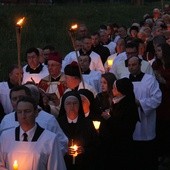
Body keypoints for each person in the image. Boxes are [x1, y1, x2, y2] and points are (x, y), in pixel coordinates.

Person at [0, 96, 66, 170]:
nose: (23, 116)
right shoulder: (5, 136)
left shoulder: (50, 139)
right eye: (19, 112)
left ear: (36, 113)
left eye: (27, 111)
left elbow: (56, 167)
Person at [0, 85, 68, 155]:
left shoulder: (48, 120)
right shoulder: (6, 120)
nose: (18, 101)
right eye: (14, 99)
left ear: (29, 97)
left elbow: (62, 144)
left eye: (21, 97)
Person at [126, 56, 162, 170]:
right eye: (129, 65)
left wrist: (140, 103)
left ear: (140, 65)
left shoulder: (150, 79)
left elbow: (157, 98)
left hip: (146, 122)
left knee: (147, 157)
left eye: (134, 64)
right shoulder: (124, 80)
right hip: (130, 123)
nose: (131, 67)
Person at [98, 78, 139, 169]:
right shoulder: (117, 100)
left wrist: (109, 118)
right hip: (114, 142)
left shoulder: (128, 105)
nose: (112, 90)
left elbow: (124, 126)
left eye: (115, 88)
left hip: (122, 144)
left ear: (122, 89)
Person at [58, 90, 99, 170]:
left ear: (79, 105)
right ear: (64, 106)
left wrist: (84, 150)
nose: (72, 106)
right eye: (68, 103)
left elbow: (96, 145)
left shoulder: (88, 123)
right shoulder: (57, 124)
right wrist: (64, 150)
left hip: (84, 165)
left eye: (75, 103)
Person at [152, 43, 170, 161]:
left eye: (159, 50)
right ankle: (161, 153)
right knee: (160, 125)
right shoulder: (155, 64)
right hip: (160, 98)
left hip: (168, 97)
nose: (157, 53)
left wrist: (163, 80)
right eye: (156, 50)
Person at [38, 52, 66, 117]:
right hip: (46, 114)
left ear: (60, 66)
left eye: (53, 65)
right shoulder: (43, 81)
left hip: (62, 114)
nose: (50, 68)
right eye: (48, 65)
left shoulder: (67, 81)